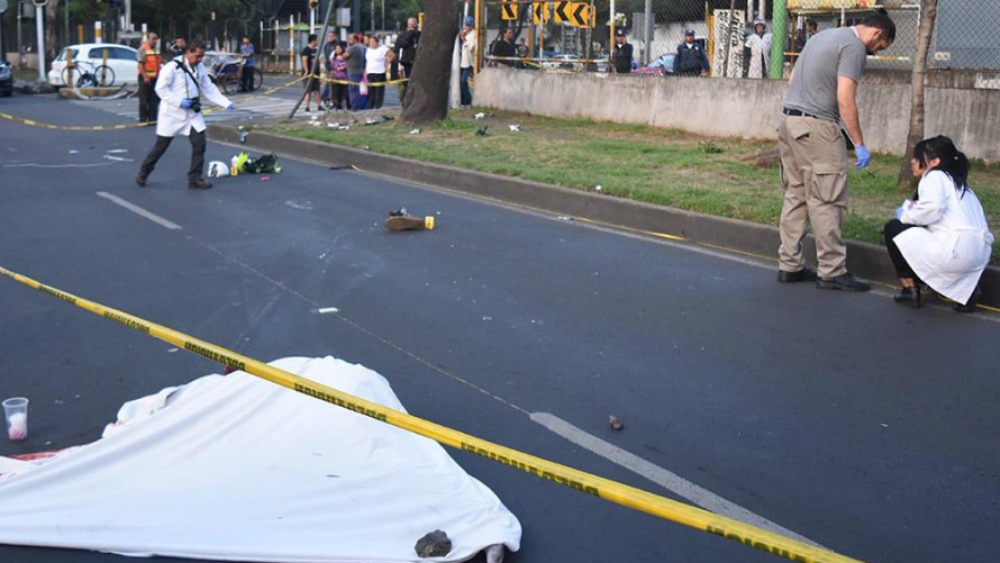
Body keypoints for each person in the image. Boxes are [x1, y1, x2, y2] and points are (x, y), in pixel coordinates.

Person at [776, 12, 896, 291]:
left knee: (796, 194)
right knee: (827, 198)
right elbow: (845, 98)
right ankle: (831, 270)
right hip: (818, 126)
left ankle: (790, 265)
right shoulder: (853, 47)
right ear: (878, 33)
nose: (877, 52)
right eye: (882, 46)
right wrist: (859, 142)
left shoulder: (821, 37)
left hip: (789, 121)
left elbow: (792, 78)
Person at [883, 137, 993, 312]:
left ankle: (909, 288)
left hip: (954, 253)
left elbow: (931, 210)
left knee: (893, 228)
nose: (913, 161)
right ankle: (969, 290)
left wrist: (904, 215)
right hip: (980, 255)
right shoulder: (961, 185)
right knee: (917, 231)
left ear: (934, 162)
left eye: (918, 157)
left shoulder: (934, 176)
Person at [136, 41, 234, 190]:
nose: (200, 60)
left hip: (191, 115)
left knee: (199, 144)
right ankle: (144, 173)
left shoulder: (200, 68)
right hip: (171, 114)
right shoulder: (172, 67)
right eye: (197, 56)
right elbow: (160, 89)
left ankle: (195, 178)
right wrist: (179, 102)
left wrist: (226, 103)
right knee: (160, 147)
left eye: (202, 56)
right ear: (188, 52)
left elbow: (209, 88)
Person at [137, 32, 162, 124]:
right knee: (143, 100)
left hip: (155, 78)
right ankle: (143, 120)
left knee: (153, 100)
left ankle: (152, 119)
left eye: (156, 39)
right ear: (148, 39)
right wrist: (145, 76)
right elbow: (140, 64)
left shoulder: (156, 50)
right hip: (144, 77)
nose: (155, 41)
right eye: (153, 38)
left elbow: (158, 64)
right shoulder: (142, 49)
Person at [365, 35, 393, 111]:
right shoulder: (368, 50)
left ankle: (378, 107)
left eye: (373, 41)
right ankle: (370, 107)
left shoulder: (382, 48)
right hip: (370, 73)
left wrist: (387, 63)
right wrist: (365, 72)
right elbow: (368, 62)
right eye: (370, 41)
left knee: (378, 92)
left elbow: (392, 55)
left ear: (377, 42)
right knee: (370, 92)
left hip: (379, 72)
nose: (371, 43)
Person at [342, 33, 367, 110]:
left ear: (355, 39)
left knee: (353, 91)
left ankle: (355, 107)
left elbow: (344, 56)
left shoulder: (353, 47)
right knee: (359, 91)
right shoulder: (361, 47)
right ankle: (360, 107)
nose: (348, 40)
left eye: (350, 39)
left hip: (353, 72)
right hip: (359, 71)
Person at [300, 34, 321, 112]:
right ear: (313, 41)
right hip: (308, 73)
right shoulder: (306, 50)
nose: (317, 42)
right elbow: (304, 60)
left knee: (316, 90)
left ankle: (319, 106)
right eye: (316, 40)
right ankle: (307, 107)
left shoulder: (315, 50)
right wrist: (306, 70)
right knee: (308, 91)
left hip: (315, 74)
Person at [459, 16, 476, 107]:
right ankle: (462, 100)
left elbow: (471, 47)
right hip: (461, 61)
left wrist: (464, 40)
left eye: (469, 25)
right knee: (460, 82)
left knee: (463, 81)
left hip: (468, 62)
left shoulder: (474, 34)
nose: (467, 27)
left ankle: (468, 100)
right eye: (466, 25)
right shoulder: (464, 33)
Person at [328, 42, 349, 110]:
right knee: (337, 94)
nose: (338, 50)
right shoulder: (333, 58)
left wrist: (344, 67)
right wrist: (331, 78)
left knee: (345, 94)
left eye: (339, 48)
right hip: (336, 79)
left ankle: (346, 107)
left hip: (345, 78)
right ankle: (337, 107)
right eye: (336, 48)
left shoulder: (345, 57)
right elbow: (332, 68)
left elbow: (348, 65)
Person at [320, 31, 338, 108]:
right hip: (328, 67)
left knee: (334, 85)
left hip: (336, 68)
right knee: (329, 84)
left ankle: (331, 100)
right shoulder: (326, 45)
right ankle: (326, 99)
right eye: (329, 36)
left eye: (332, 36)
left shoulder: (337, 45)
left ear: (335, 36)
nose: (330, 37)